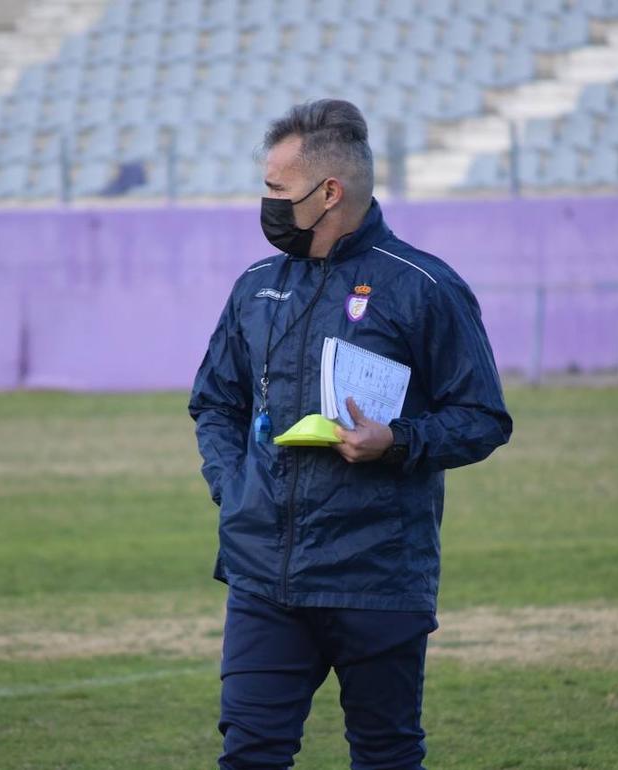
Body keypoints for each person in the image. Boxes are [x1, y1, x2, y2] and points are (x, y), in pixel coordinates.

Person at [189, 99, 512, 770]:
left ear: (329, 192)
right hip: (264, 577)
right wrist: (233, 486)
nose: (266, 203)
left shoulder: (424, 286)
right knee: (249, 753)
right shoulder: (255, 287)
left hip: (378, 574)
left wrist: (396, 441)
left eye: (277, 189)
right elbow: (215, 402)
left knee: (386, 755)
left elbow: (483, 417)